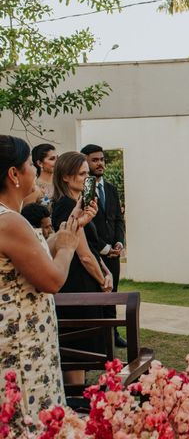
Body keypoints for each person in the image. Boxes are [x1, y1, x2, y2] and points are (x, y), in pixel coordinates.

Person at [0, 135, 94, 429]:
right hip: (23, 348)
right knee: (32, 423)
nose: (36, 171)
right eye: (29, 163)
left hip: (22, 341)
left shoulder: (10, 220)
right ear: (14, 174)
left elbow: (36, 254)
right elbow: (51, 280)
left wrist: (71, 228)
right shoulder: (10, 222)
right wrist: (67, 248)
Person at [51, 151, 113, 385]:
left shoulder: (79, 205)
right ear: (66, 177)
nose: (88, 178)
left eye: (88, 174)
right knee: (78, 350)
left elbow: (93, 250)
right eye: (82, 173)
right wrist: (102, 280)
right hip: (77, 283)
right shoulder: (66, 206)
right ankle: (74, 402)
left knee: (84, 352)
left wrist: (105, 268)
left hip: (84, 280)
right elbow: (84, 254)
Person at [80, 144, 127, 348]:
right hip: (94, 251)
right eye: (95, 160)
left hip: (113, 253)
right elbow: (86, 224)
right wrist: (104, 247)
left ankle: (113, 332)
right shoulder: (84, 191)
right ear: (86, 161)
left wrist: (119, 242)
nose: (100, 163)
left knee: (113, 293)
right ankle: (99, 336)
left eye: (102, 160)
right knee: (98, 296)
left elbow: (118, 219)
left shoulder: (110, 188)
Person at [22, 143, 57, 209]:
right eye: (52, 159)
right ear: (39, 163)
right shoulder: (34, 187)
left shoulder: (61, 183)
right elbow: (27, 214)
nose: (57, 161)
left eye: (57, 158)